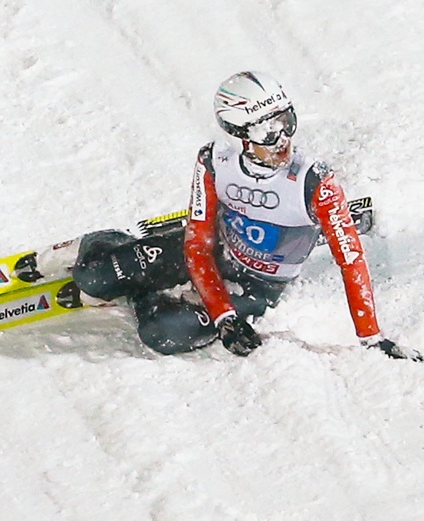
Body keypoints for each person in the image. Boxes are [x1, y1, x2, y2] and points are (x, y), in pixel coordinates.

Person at [72, 70, 421, 361]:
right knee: (92, 276)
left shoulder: (315, 181)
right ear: (238, 136)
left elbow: (352, 261)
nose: (281, 139)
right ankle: (118, 253)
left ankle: (141, 291)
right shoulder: (214, 161)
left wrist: (371, 338)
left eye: (287, 122)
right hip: (215, 252)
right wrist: (220, 310)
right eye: (266, 132)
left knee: (161, 333)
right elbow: (197, 244)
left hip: (258, 285)